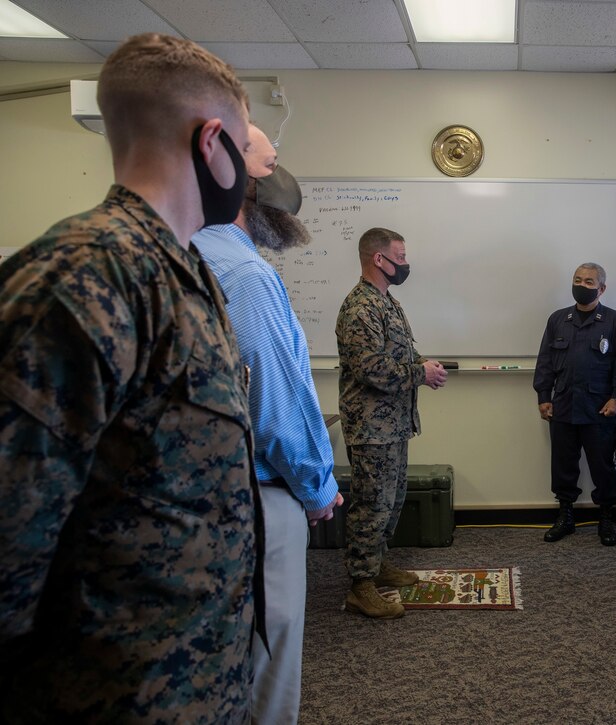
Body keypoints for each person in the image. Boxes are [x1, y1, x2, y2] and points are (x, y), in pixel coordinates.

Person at [0, 34, 261, 721]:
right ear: (213, 142)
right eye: (243, 148)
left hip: (195, 675)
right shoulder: (84, 275)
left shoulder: (189, 274)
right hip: (111, 689)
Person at [193, 124, 342, 723]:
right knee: (269, 648)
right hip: (260, 493)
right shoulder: (247, 275)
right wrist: (316, 487)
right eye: (270, 158)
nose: (282, 172)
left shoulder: (180, 251)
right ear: (239, 176)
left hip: (195, 497)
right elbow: (275, 402)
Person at [337, 227, 447, 619]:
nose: (406, 264)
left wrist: (423, 366)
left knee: (392, 500)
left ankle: (378, 564)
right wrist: (420, 373)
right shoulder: (359, 308)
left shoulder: (388, 302)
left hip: (394, 424)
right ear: (378, 259)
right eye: (400, 257)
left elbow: (402, 354)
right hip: (370, 426)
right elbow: (371, 368)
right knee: (371, 504)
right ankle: (360, 585)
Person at [534, 263, 616, 546]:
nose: (582, 285)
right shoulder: (558, 319)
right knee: (563, 464)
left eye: (589, 281)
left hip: (599, 408)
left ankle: (605, 518)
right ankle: (565, 516)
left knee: (603, 465)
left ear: (601, 288)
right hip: (563, 405)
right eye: (578, 279)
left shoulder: (614, 321)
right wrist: (543, 397)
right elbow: (545, 362)